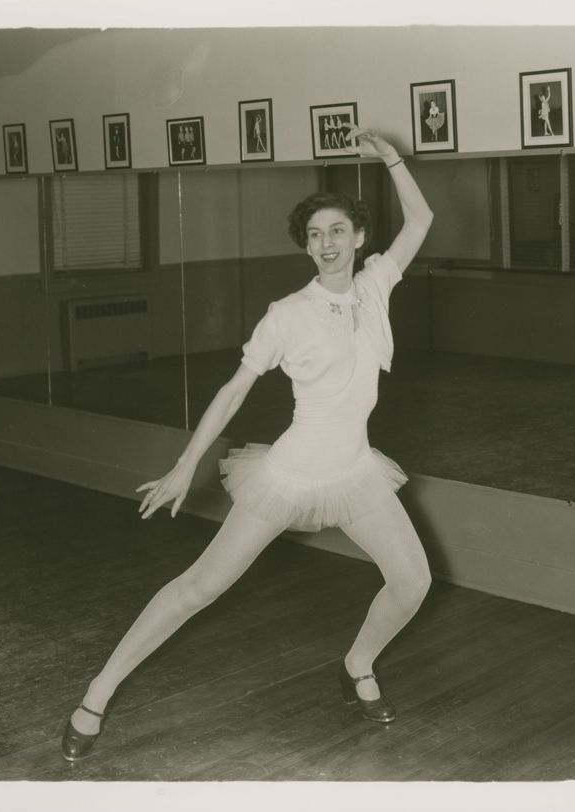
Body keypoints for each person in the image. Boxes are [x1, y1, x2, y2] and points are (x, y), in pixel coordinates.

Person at [61, 126, 435, 761]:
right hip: (288, 477)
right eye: (315, 235)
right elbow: (233, 391)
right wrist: (185, 467)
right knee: (199, 588)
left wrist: (391, 157)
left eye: (338, 230)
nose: (327, 244)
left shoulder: (376, 284)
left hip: (354, 474)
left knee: (412, 582)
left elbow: (422, 215)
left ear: (359, 238)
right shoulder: (287, 313)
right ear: (306, 246)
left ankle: (357, 666)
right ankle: (94, 696)